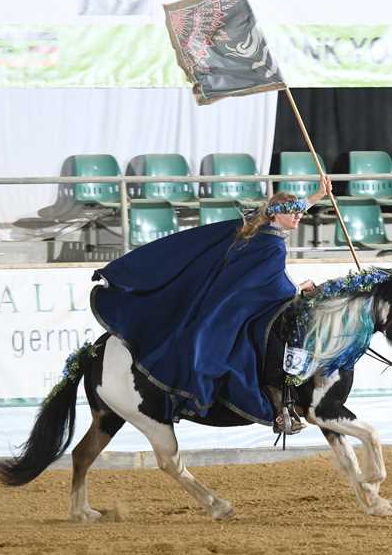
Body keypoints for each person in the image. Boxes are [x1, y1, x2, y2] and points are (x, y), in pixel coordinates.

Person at [90, 172, 332, 431]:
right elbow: (271, 285)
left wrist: (317, 196)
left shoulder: (262, 230)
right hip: (241, 307)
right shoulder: (272, 244)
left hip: (238, 301)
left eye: (300, 212)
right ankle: (278, 400)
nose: (298, 216)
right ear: (276, 215)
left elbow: (265, 276)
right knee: (275, 339)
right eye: (293, 212)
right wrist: (299, 288)